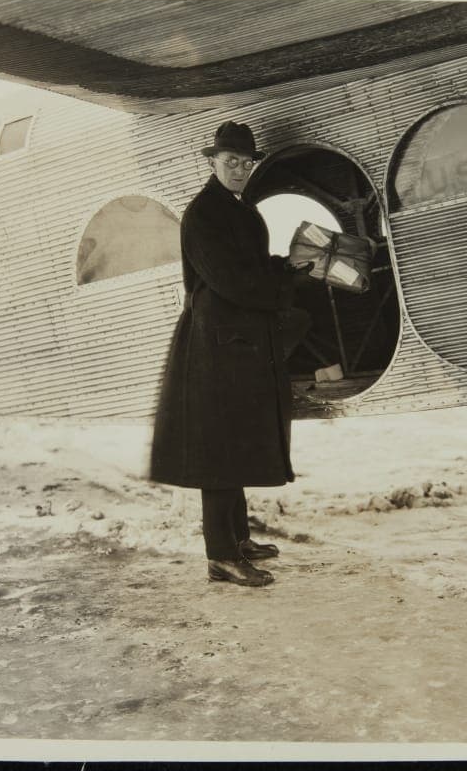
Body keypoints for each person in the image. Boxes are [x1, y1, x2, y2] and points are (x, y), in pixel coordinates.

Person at [150, 121, 311, 587]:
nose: (239, 168)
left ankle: (237, 539)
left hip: (236, 343)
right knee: (218, 453)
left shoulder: (233, 209)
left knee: (233, 444)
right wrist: (285, 283)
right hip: (216, 347)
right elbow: (233, 281)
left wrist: (287, 265)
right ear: (212, 161)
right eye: (230, 161)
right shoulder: (203, 215)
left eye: (245, 162)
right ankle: (220, 555)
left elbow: (251, 269)